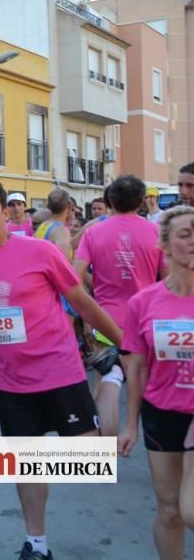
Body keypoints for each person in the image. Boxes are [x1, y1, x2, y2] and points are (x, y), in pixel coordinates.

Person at [0, 180, 123, 560]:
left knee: (91, 462)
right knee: (26, 469)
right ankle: (37, 544)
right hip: (13, 386)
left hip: (60, 372)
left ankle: (110, 378)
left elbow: (80, 300)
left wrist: (123, 342)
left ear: (5, 213)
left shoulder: (39, 251)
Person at [119, 206, 194, 558]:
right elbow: (136, 368)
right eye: (185, 234)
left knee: (191, 508)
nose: (193, 241)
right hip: (162, 413)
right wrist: (130, 424)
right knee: (170, 510)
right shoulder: (143, 302)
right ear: (165, 247)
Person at [75, 175, 166, 437]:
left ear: (110, 201)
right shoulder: (156, 232)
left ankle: (104, 449)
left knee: (106, 381)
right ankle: (153, 443)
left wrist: (87, 315)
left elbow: (74, 276)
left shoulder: (93, 232)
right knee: (148, 384)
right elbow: (168, 280)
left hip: (103, 319)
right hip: (145, 321)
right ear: (140, 201)